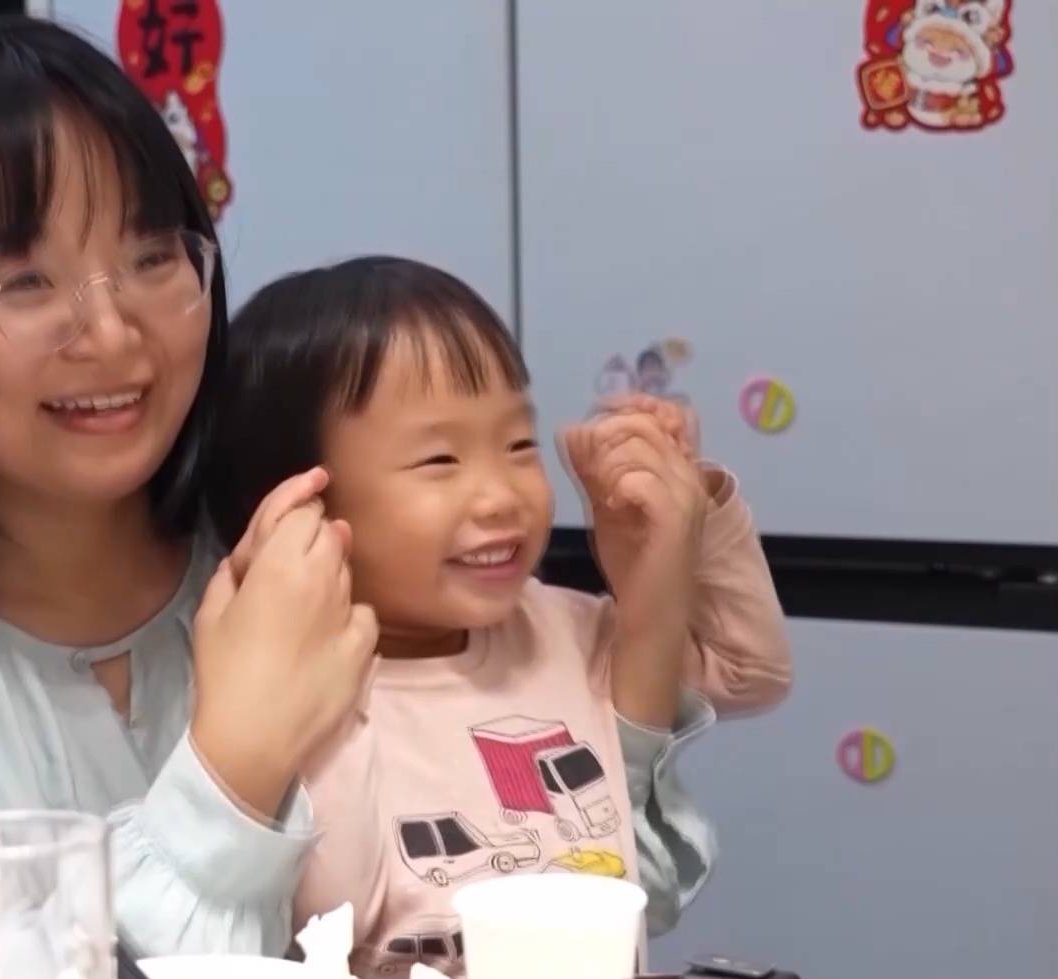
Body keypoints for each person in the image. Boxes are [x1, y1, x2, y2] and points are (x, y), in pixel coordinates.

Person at [0, 15, 746, 961]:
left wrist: (654, 611)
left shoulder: (313, 567)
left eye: (152, 256)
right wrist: (232, 765)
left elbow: (587, 884)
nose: (113, 332)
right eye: (23, 280)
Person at [206, 256, 793, 976]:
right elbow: (327, 902)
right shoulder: (282, 691)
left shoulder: (562, 631)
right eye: (439, 460)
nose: (501, 495)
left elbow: (748, 669)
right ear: (300, 502)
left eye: (518, 444)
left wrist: (682, 513)